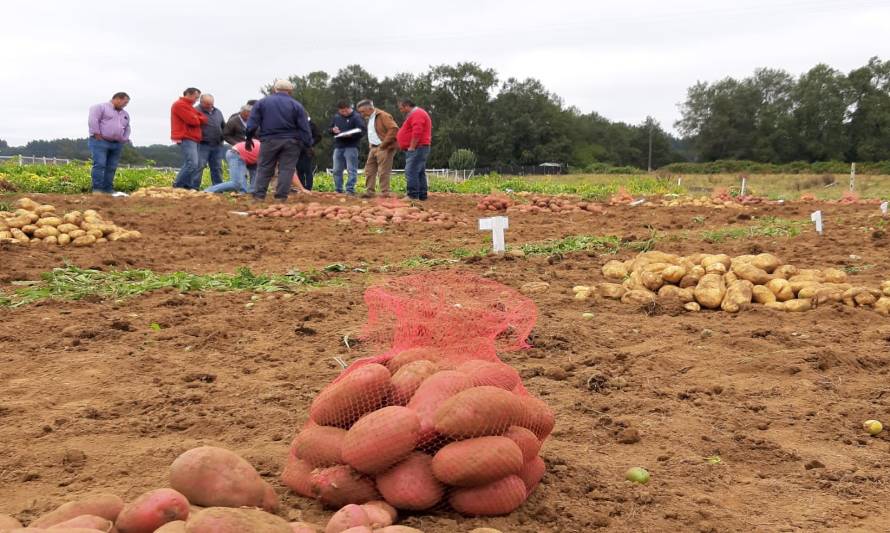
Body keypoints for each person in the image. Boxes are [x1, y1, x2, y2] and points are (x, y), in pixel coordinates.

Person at [245, 79, 312, 200]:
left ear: (274, 89)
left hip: (269, 140)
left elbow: (252, 123)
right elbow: (304, 127)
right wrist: (308, 144)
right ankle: (281, 197)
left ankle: (259, 196)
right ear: (290, 91)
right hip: (291, 142)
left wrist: (249, 138)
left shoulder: (262, 103)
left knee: (264, 167)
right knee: (286, 169)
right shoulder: (296, 105)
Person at [87, 92, 131, 194]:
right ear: (118, 99)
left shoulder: (125, 114)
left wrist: (124, 138)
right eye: (124, 102)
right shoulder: (99, 107)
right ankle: (97, 189)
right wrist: (96, 133)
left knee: (112, 167)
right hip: (100, 141)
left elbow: (127, 127)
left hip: (117, 143)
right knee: (100, 164)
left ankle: (108, 189)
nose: (125, 105)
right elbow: (93, 120)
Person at [356, 99, 398, 197]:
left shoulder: (383, 115)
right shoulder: (370, 118)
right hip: (373, 148)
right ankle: (369, 192)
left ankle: (385, 192)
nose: (361, 114)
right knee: (369, 170)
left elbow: (393, 129)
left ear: (370, 108)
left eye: (363, 111)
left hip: (384, 147)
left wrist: (383, 145)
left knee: (383, 171)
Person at [396, 98, 432, 201]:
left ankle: (412, 195)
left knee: (411, 171)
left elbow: (417, 131)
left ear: (407, 106)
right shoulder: (416, 114)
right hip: (419, 147)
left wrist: (411, 146)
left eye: (401, 108)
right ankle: (422, 195)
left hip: (417, 148)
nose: (401, 110)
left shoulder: (417, 114)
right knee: (419, 172)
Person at [171, 88, 207, 189]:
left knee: (194, 163)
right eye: (196, 97)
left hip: (194, 138)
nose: (196, 100)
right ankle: (178, 185)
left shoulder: (189, 107)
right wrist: (197, 118)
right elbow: (193, 121)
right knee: (192, 163)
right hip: (186, 137)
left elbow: (203, 118)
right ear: (189, 94)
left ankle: (186, 185)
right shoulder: (179, 105)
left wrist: (197, 117)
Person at [328, 100, 366, 195]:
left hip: (351, 146)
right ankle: (338, 189)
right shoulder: (336, 117)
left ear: (349, 108)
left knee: (351, 169)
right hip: (339, 145)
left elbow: (362, 130)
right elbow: (330, 129)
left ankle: (350, 189)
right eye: (341, 112)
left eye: (345, 111)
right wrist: (333, 130)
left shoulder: (357, 117)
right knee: (336, 169)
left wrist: (352, 135)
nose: (343, 113)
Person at [195, 94, 226, 188]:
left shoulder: (218, 111)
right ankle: (194, 187)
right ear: (201, 102)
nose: (210, 106)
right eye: (207, 104)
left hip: (217, 145)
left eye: (211, 103)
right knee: (199, 167)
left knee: (217, 168)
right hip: (202, 144)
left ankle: (218, 188)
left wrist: (223, 137)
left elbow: (223, 126)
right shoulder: (195, 111)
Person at [295, 117, 322, 191]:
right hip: (298, 149)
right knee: (299, 169)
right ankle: (302, 187)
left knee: (307, 169)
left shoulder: (312, 125)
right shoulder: (297, 124)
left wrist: (311, 143)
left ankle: (308, 187)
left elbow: (318, 136)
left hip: (307, 150)